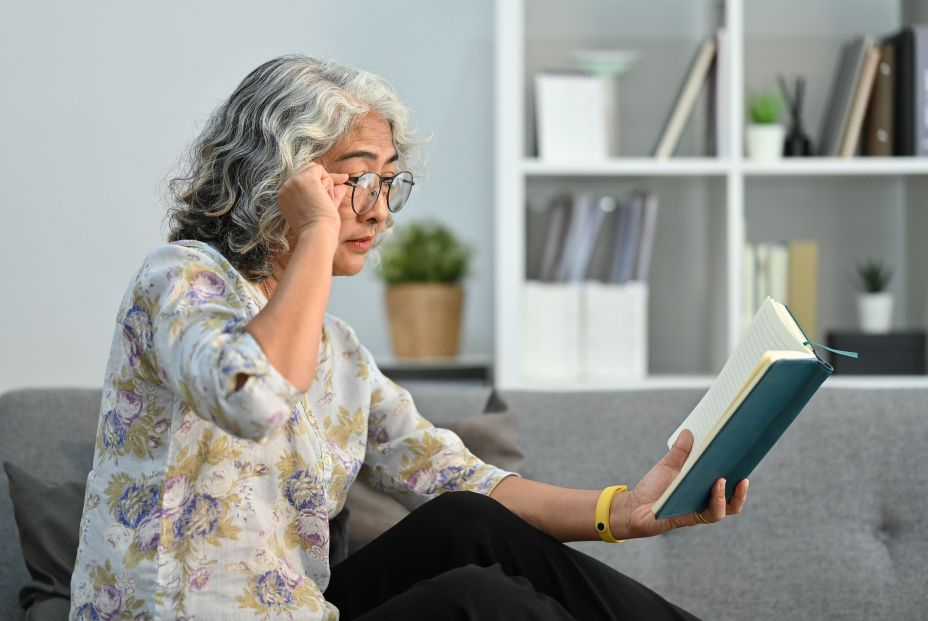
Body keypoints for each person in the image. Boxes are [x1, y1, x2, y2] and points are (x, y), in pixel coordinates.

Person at [70, 55, 749, 621]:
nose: (380, 208)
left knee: (465, 520)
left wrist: (623, 510)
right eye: (359, 176)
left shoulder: (339, 351)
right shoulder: (180, 279)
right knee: (478, 601)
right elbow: (256, 396)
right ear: (282, 175)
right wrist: (314, 232)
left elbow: (462, 478)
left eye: (389, 179)